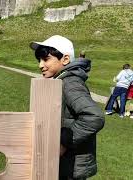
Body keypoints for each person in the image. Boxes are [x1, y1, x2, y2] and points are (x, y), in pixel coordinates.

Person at [30, 35, 105, 180]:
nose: (40, 65)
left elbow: (94, 117)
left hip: (70, 167)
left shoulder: (70, 82)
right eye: (39, 60)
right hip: (67, 165)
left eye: (46, 59)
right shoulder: (62, 80)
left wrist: (63, 143)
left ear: (65, 59)